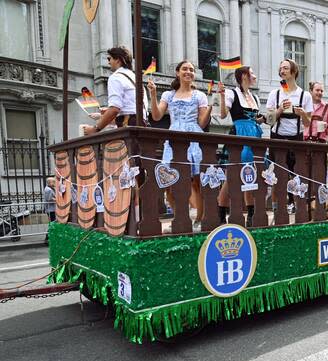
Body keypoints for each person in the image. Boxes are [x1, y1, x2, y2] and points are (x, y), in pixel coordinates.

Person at [147, 60, 211, 225]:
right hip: (174, 137)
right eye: (185, 69)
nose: (188, 72)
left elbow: (202, 123)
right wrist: (153, 95)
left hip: (194, 136)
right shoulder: (168, 95)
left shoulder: (200, 95)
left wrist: (212, 106)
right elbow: (156, 116)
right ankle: (180, 217)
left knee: (196, 180)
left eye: (191, 69)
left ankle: (199, 219)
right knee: (169, 181)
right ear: (177, 72)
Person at [218, 66, 265, 227]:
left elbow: (256, 118)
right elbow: (223, 114)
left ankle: (251, 214)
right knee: (231, 176)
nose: (255, 76)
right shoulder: (232, 93)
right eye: (252, 73)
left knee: (250, 175)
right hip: (240, 134)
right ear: (244, 76)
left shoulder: (255, 97)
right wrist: (222, 96)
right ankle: (221, 213)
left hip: (254, 136)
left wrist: (262, 119)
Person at [266, 59, 313, 213]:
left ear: (293, 71)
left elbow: (307, 124)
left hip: (295, 138)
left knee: (294, 172)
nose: (282, 71)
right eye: (281, 68)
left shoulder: (305, 95)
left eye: (286, 68)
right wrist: (279, 110)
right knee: (276, 172)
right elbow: (269, 121)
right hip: (277, 136)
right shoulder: (275, 93)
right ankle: (276, 205)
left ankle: (292, 203)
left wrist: (302, 113)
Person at [84, 46, 148, 134]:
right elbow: (129, 112)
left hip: (129, 130)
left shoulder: (116, 77)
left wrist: (95, 129)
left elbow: (114, 109)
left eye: (109, 58)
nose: (108, 62)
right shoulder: (135, 78)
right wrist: (102, 116)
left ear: (118, 60)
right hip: (142, 127)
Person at [43, 177, 56, 244]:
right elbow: (49, 199)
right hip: (51, 209)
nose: (54, 183)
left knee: (53, 223)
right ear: (49, 183)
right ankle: (47, 238)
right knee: (52, 223)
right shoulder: (48, 190)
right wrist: (58, 200)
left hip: (52, 209)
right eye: (53, 182)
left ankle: (50, 237)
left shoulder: (50, 188)